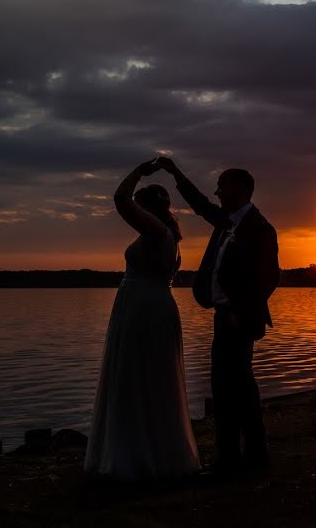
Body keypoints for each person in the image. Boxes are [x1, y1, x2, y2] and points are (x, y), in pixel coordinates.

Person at [157, 156, 279, 474]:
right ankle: (237, 457)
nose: (217, 193)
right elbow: (199, 203)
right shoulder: (227, 221)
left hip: (238, 318)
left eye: (222, 187)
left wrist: (241, 312)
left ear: (241, 189)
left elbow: (268, 277)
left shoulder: (259, 228)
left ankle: (244, 458)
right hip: (223, 315)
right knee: (226, 386)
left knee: (236, 386)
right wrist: (175, 173)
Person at [84, 159, 200, 479]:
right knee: (149, 376)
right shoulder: (170, 237)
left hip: (142, 307)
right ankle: (154, 450)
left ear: (148, 207)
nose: (136, 210)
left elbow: (120, 199)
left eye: (141, 205)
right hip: (152, 304)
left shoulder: (154, 229)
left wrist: (139, 170)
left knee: (137, 375)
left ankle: (135, 455)